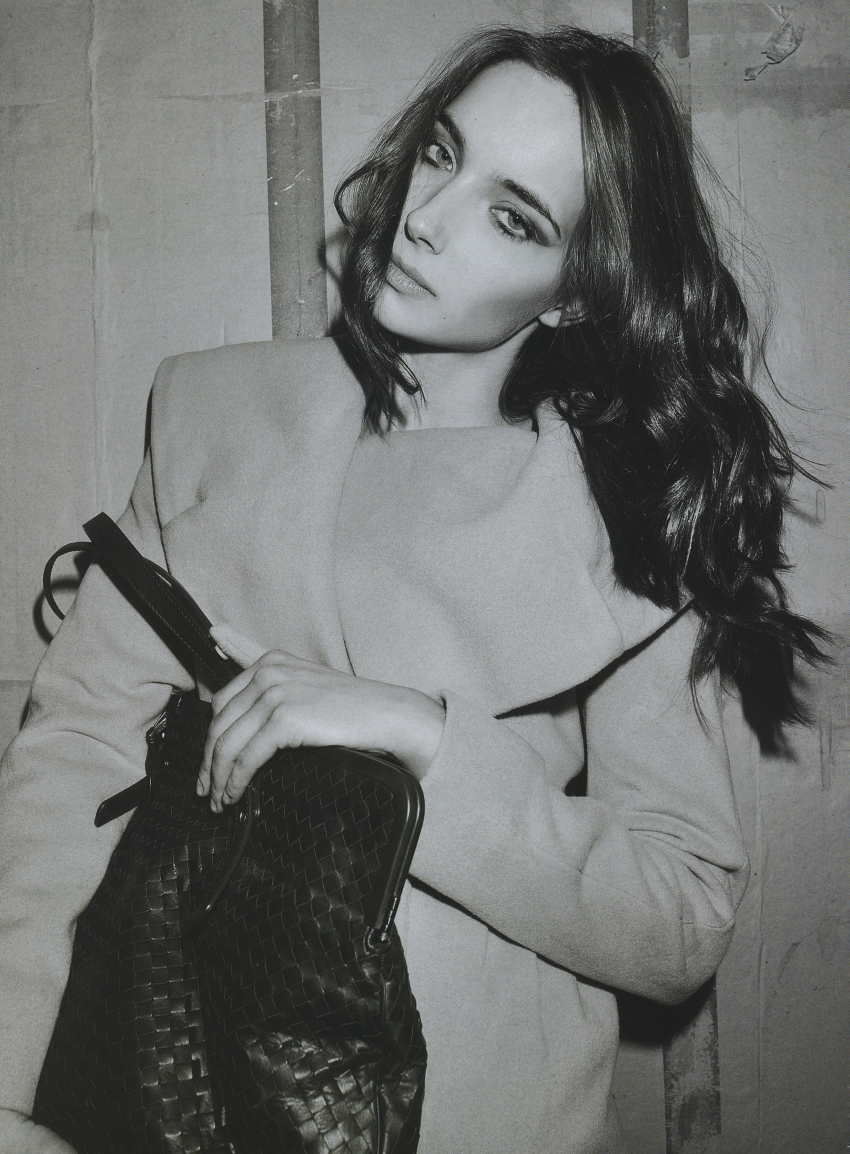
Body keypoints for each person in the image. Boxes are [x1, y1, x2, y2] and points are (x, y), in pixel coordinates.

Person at [0, 24, 826, 1154]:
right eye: (441, 153)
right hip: (171, 1092)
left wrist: (423, 737)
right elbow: (71, 760)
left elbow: (678, 918)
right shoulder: (213, 418)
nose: (427, 217)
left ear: (577, 291)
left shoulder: (627, 523)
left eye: (512, 216)